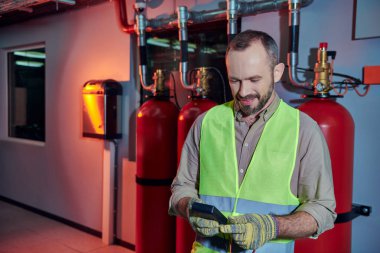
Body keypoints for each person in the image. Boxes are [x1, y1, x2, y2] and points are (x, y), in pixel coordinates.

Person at [169, 30, 336, 253]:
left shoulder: (304, 130)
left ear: (277, 72)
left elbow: (323, 210)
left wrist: (272, 226)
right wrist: (190, 207)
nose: (244, 91)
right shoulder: (206, 123)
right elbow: (181, 188)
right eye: (235, 80)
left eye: (254, 79)